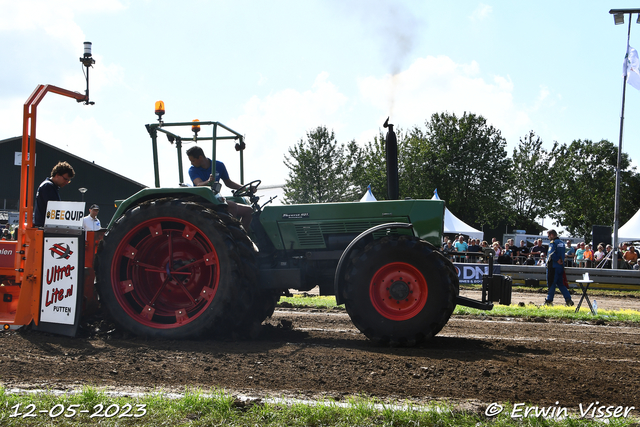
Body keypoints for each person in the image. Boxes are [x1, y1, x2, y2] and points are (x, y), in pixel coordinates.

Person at [186, 146, 254, 230]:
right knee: (232, 206)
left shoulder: (218, 165)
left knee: (249, 211)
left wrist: (246, 189)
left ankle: (242, 237)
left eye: (193, 160)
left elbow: (228, 182)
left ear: (200, 157)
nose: (191, 163)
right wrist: (208, 181)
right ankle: (229, 233)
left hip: (216, 199)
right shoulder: (192, 170)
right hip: (204, 201)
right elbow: (199, 184)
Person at [33, 161, 75, 227]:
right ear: (57, 175)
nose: (67, 183)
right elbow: (54, 210)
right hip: (46, 228)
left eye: (68, 181)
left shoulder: (47, 185)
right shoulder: (48, 186)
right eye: (65, 179)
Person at [544, 229, 573, 306]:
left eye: (548, 236)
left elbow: (551, 254)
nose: (548, 237)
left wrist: (557, 260)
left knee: (551, 284)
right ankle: (568, 299)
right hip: (560, 267)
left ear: (552, 235)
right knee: (561, 284)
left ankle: (549, 301)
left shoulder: (553, 243)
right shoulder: (562, 243)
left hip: (553, 267)